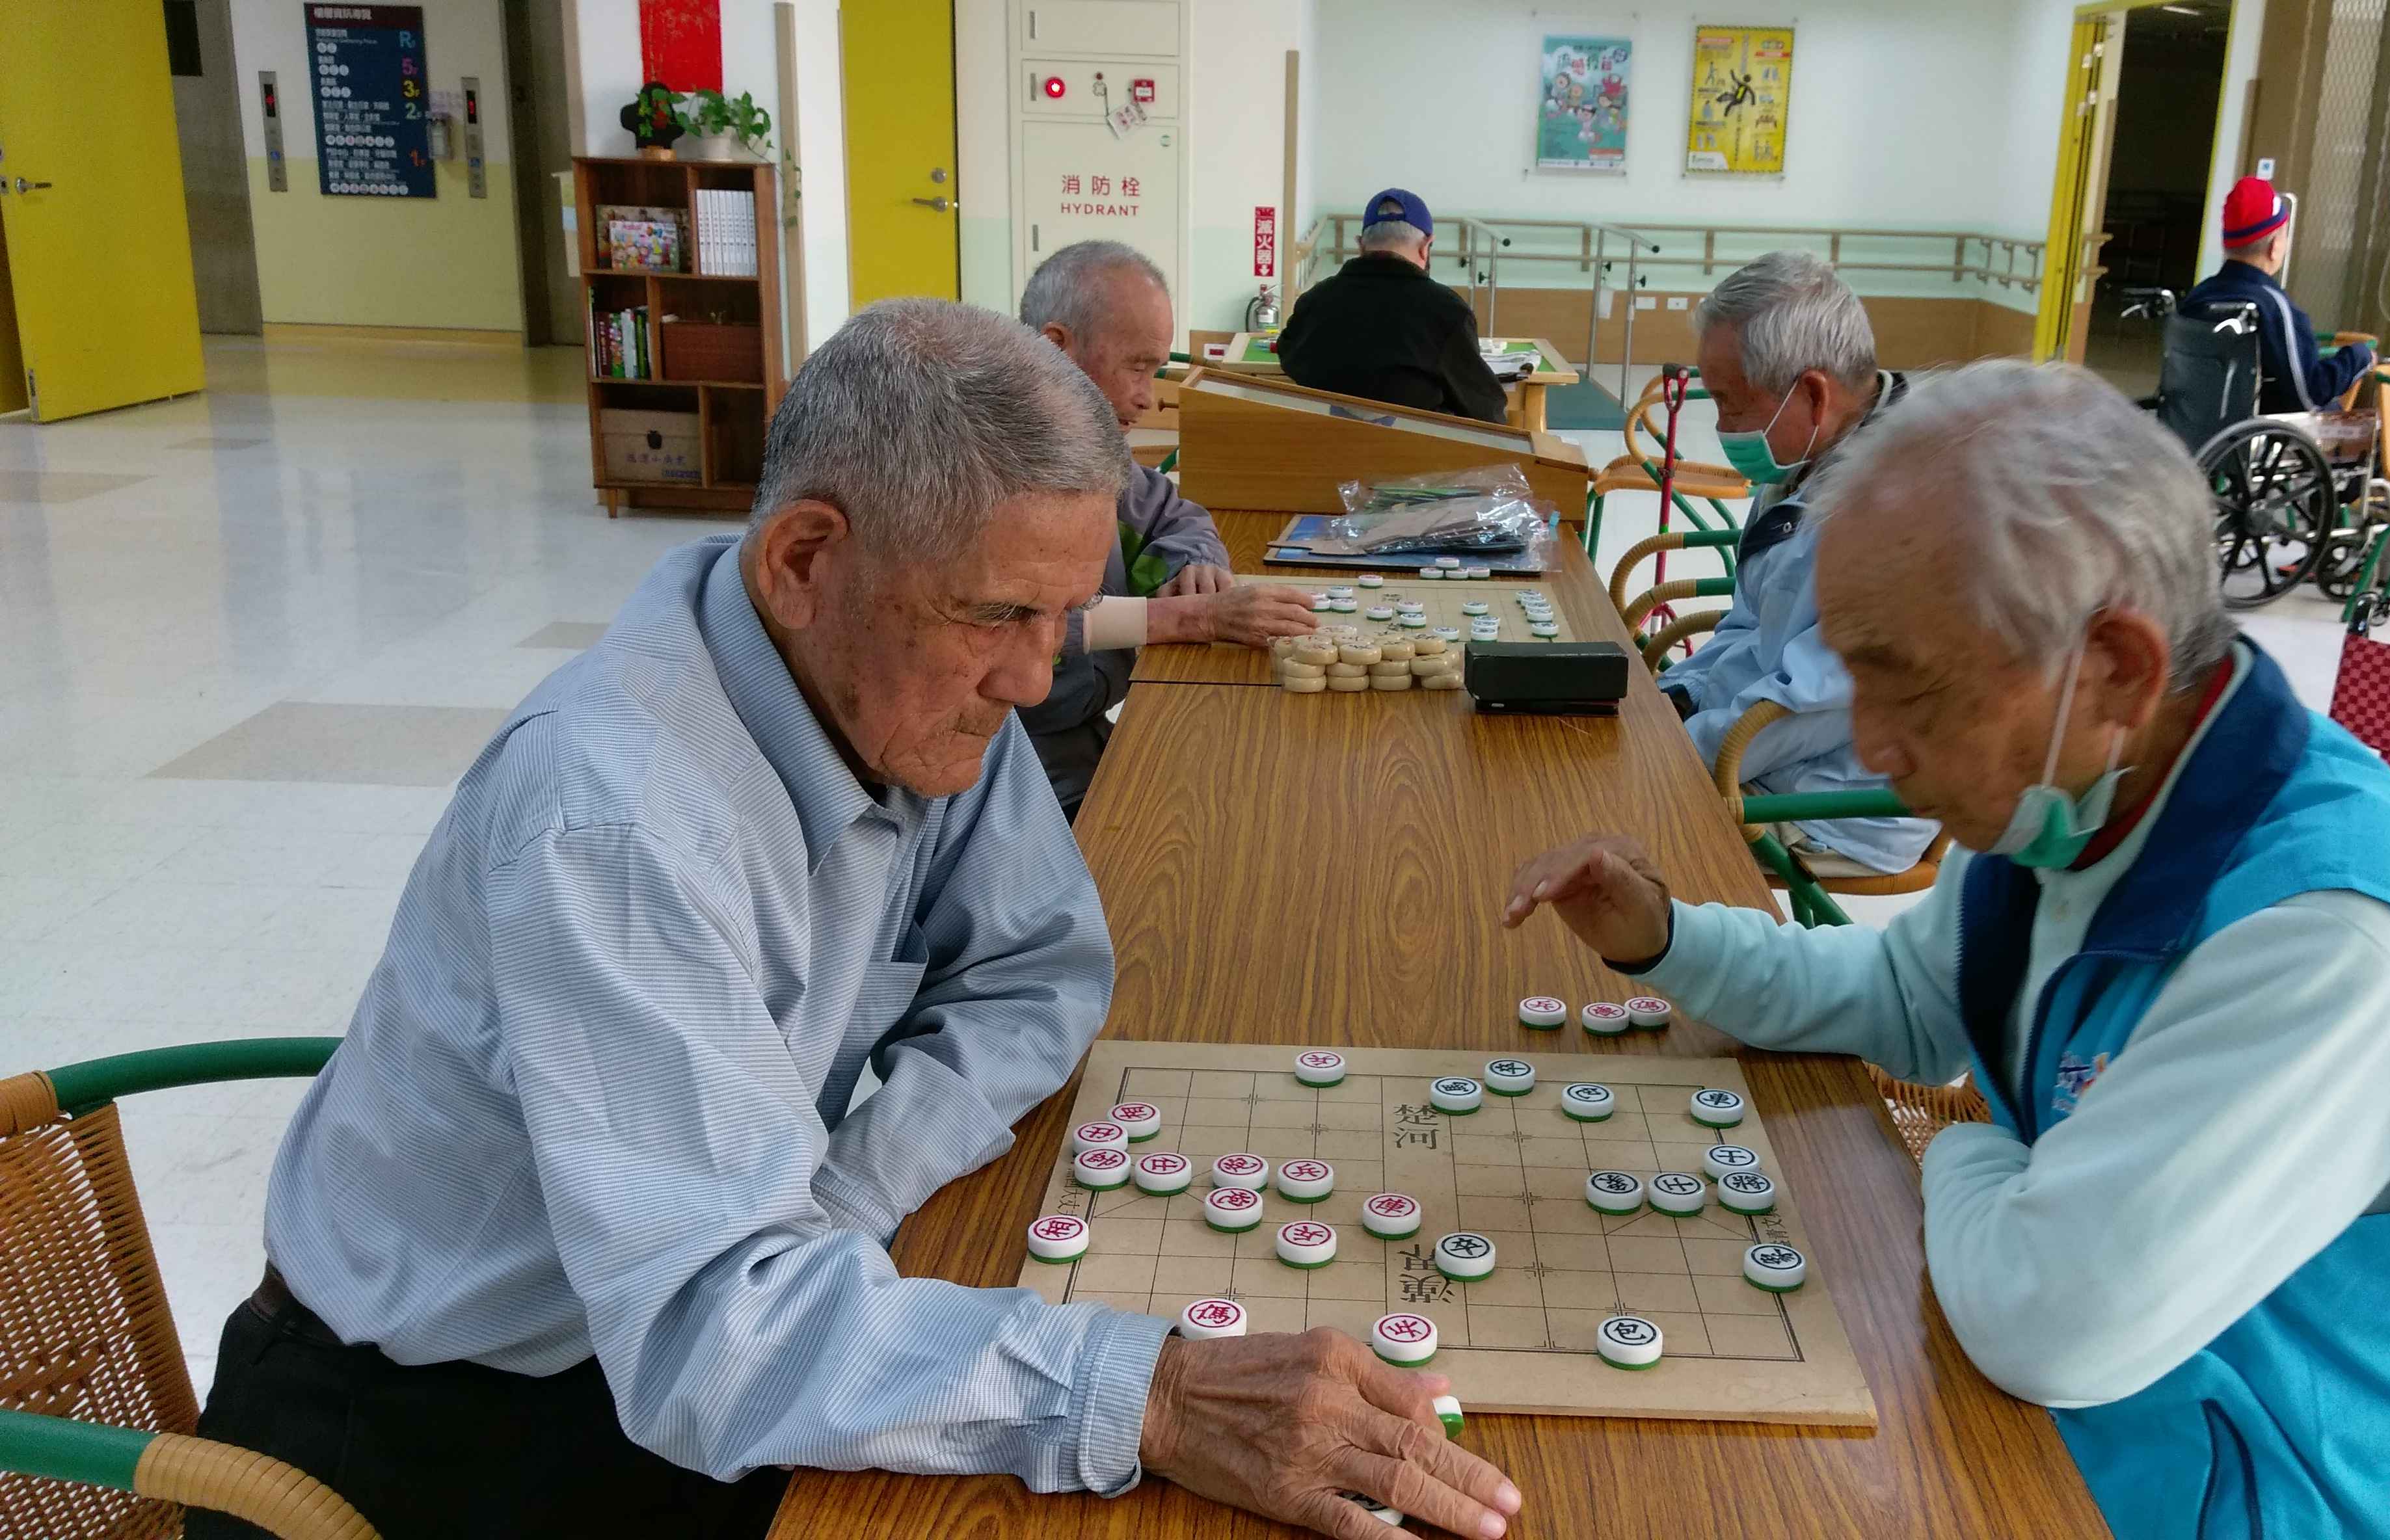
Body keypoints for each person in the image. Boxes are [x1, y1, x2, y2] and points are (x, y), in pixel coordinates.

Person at [193, 299, 1522, 1540]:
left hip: (678, 1323)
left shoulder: (913, 669)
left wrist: (847, 1191)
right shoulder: (616, 813)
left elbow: (1036, 966)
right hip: (439, 1426)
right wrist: (1151, 1395)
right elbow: (710, 1344)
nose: (1035, 673)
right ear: (805, 558)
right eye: (1000, 613)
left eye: (1061, 614)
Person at [1505, 362, 2390, 1539]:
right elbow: (1896, 991)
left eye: (1910, 689)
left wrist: (1967, 1152)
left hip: (2261, 1503)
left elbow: (2049, 1319)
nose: (1872, 747)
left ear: (2117, 668)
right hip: (2049, 1437)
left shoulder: (2331, 940)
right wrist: (1667, 935)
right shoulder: (2084, 790)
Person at [1654, 250, 1933, 875]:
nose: (1723, 428)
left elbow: (1807, 707)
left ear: (1812, 394)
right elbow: (1752, 627)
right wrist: (1673, 699)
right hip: (1773, 749)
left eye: (1731, 403)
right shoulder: (1811, 454)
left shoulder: (1900, 511)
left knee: (1619, 828)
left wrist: (1663, 752)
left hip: (1839, 802)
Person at [1015, 240, 1316, 819]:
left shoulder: (1085, 448)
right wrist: (1190, 616)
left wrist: (1190, 566)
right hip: (1013, 780)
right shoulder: (986, 463)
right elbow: (1019, 626)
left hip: (1083, 750)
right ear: (1056, 349)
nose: (1148, 398)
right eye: (1136, 366)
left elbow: (1174, 514)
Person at [1274, 189, 1509, 424]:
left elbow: (1289, 354)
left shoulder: (1317, 300)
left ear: (1360, 245)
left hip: (1320, 451)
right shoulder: (1447, 312)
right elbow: (1484, 408)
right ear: (1426, 247)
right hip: (1418, 455)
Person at [2179, 176, 2374, 413]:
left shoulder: (2199, 296)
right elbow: (2310, 395)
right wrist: (2360, 357)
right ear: (2275, 247)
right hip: (2260, 435)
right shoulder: (2273, 309)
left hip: (2197, 426)